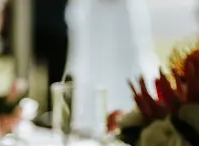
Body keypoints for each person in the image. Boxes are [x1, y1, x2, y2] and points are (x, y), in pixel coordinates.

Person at [64, 0, 159, 134]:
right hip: (94, 9)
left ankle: (129, 123)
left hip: (123, 8)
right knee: (92, 59)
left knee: (128, 62)